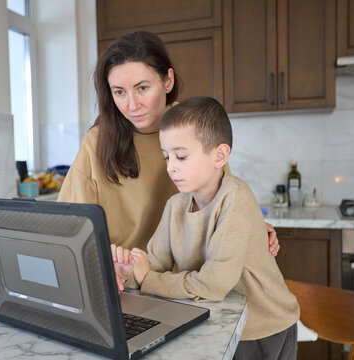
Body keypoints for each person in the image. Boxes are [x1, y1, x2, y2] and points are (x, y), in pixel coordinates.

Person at [58, 31, 279, 257]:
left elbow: (223, 205)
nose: (131, 105)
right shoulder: (96, 141)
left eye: (142, 88)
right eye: (119, 92)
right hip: (121, 277)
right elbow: (69, 228)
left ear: (167, 80)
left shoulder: (194, 126)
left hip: (182, 277)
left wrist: (249, 228)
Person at [116, 96, 300, 360]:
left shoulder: (236, 197)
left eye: (181, 156)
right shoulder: (175, 206)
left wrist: (148, 279)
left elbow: (212, 285)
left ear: (220, 155)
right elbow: (153, 264)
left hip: (264, 327)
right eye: (166, 157)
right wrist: (130, 272)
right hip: (220, 321)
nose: (171, 167)